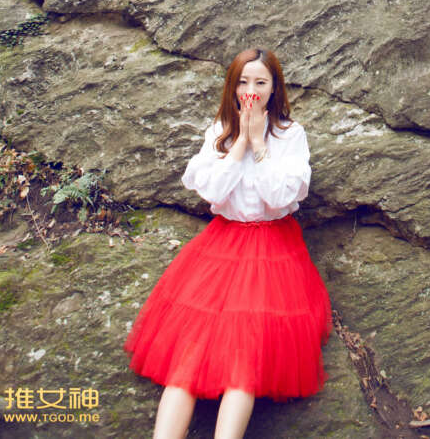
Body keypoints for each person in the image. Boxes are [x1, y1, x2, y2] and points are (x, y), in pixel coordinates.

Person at [122, 47, 333, 439]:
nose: (251, 91)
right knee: (188, 356)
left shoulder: (291, 134)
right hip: (221, 247)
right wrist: (239, 142)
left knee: (245, 362)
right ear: (233, 87)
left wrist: (260, 145)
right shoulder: (219, 128)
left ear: (274, 88)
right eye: (243, 82)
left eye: (260, 82)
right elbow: (213, 192)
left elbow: (281, 198)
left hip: (273, 250)